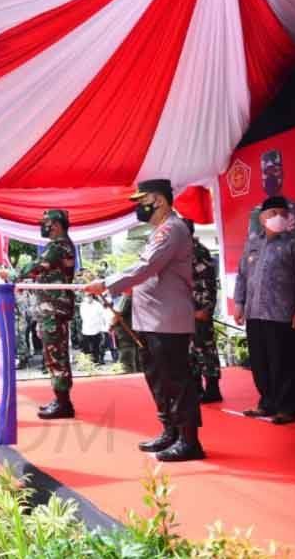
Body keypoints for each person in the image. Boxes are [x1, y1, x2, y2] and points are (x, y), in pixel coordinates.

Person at [86, 179, 203, 461]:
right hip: (151, 319)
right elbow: (148, 274)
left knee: (176, 380)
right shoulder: (159, 232)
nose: (140, 207)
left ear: (160, 201)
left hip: (167, 320)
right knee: (158, 379)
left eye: (143, 201)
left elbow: (146, 267)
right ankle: (170, 431)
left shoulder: (171, 229)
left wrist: (107, 282)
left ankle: (189, 441)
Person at [234, 196, 295, 425]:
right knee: (260, 362)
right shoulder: (252, 243)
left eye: (282, 214)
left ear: (288, 218)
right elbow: (242, 276)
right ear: (261, 218)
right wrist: (239, 304)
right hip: (254, 312)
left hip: (282, 313)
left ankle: (288, 408)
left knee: (284, 362)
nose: (277, 218)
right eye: (272, 214)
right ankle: (267, 402)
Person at [13, 209, 76, 419]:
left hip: (54, 309)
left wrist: (15, 274)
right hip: (52, 309)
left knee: (55, 355)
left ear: (56, 225)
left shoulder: (59, 246)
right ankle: (60, 399)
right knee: (54, 355)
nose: (43, 226)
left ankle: (63, 404)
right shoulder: (60, 245)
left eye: (46, 223)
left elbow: (39, 266)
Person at [184, 219, 223, 403]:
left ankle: (212, 388)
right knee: (191, 350)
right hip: (186, 309)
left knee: (204, 348)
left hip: (199, 307)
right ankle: (197, 387)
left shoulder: (198, 252)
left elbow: (207, 283)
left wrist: (205, 308)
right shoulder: (182, 251)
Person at [111, 291, 140, 373]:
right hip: (134, 329)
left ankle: (129, 374)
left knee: (127, 356)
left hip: (126, 331)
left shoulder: (127, 296)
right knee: (136, 355)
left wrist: (111, 324)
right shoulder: (134, 295)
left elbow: (118, 314)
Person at [79, 294, 106, 365]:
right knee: (86, 347)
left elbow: (102, 316)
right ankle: (87, 362)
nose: (88, 298)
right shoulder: (83, 305)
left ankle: (96, 361)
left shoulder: (98, 305)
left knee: (96, 347)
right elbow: (82, 316)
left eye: (89, 296)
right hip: (86, 329)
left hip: (96, 329)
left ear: (92, 296)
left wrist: (102, 327)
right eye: (87, 296)